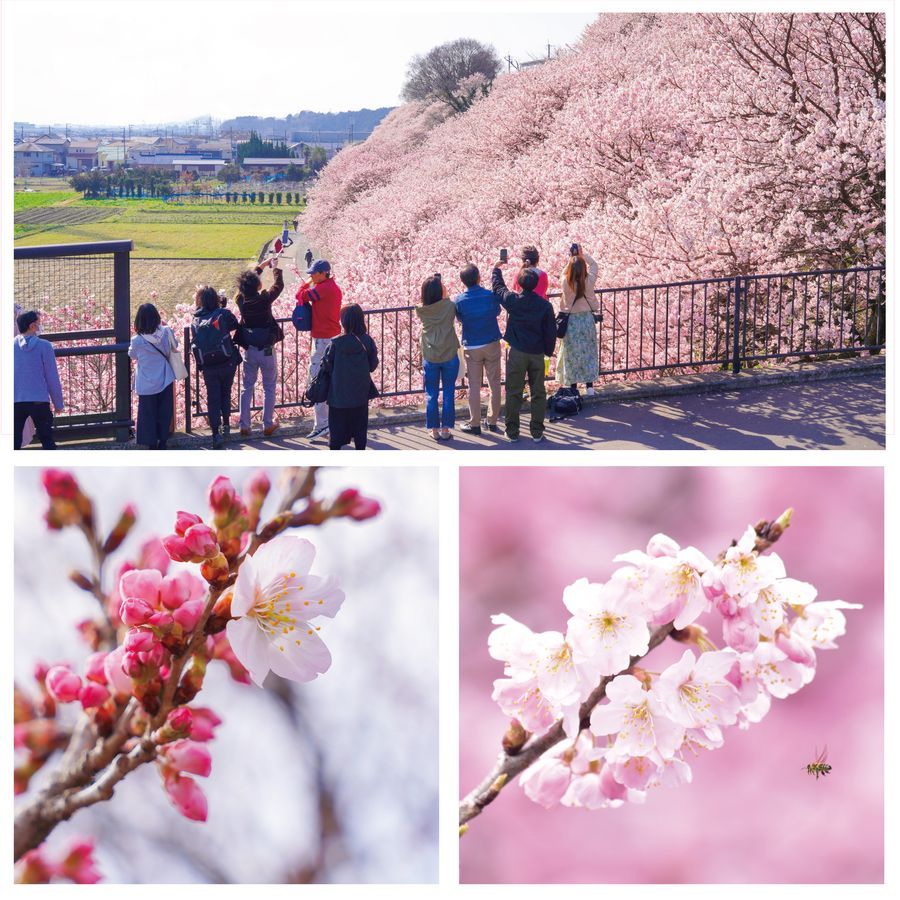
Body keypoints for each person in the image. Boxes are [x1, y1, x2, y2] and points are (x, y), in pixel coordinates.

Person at [491, 263, 556, 443]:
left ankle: (512, 431)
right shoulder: (544, 306)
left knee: (514, 391)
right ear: (536, 284)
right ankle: (537, 431)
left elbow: (498, 289)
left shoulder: (514, 301)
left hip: (518, 352)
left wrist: (496, 269)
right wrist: (548, 352)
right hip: (536, 353)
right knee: (538, 392)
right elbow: (550, 331)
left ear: (519, 284)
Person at [235, 257, 283, 437]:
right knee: (269, 386)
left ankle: (244, 425)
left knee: (247, 387)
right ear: (258, 285)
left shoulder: (241, 301)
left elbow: (246, 284)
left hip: (250, 350)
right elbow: (278, 286)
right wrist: (275, 268)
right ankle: (267, 424)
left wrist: (261, 266)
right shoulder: (264, 300)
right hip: (267, 349)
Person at [319, 304, 378, 450]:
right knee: (360, 432)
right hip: (360, 395)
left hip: (338, 396)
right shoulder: (367, 341)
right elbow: (372, 365)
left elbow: (326, 367)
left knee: (336, 437)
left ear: (343, 321)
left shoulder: (335, 344)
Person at [295, 259, 342, 440]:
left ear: (324, 273)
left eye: (314, 273)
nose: (312, 276)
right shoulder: (332, 287)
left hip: (323, 340)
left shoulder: (323, 289)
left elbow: (300, 296)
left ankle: (322, 425)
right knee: (330, 382)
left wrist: (305, 284)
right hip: (332, 338)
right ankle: (329, 424)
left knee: (317, 382)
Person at [453, 264, 503, 435]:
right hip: (491, 342)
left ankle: (474, 423)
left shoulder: (459, 300)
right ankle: (492, 421)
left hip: (472, 345)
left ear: (463, 282)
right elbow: (497, 312)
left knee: (474, 385)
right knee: (494, 383)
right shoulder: (490, 296)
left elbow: (460, 319)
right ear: (479, 277)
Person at [191, 286, 241, 448]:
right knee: (225, 392)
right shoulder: (222, 314)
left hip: (208, 365)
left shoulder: (195, 320)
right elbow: (234, 325)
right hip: (227, 361)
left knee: (213, 398)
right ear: (216, 299)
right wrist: (223, 307)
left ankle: (215, 434)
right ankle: (226, 425)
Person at [129, 303, 179, 450]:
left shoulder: (137, 340)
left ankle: (151, 444)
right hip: (165, 378)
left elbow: (132, 355)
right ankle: (163, 441)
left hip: (146, 383)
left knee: (148, 414)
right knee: (164, 412)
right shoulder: (166, 332)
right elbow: (174, 346)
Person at [415, 275, 460, 441]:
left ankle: (433, 430)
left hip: (430, 355)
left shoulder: (420, 309)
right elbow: (447, 302)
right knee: (449, 392)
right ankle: (446, 429)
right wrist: (445, 293)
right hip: (449, 354)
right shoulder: (450, 306)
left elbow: (426, 303)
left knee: (431, 394)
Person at [13, 309, 63, 450]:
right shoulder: (44, 346)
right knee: (47, 440)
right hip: (39, 400)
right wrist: (58, 403)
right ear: (32, 326)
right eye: (39, 323)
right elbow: (51, 377)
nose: (40, 325)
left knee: (13, 442)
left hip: (15, 400)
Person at [556, 246, 601, 394]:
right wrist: (582, 255)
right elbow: (594, 265)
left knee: (572, 354)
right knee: (588, 352)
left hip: (571, 323)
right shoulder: (589, 281)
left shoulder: (565, 283)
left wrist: (572, 259)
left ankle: (573, 386)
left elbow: (563, 273)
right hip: (587, 321)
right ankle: (589, 387)